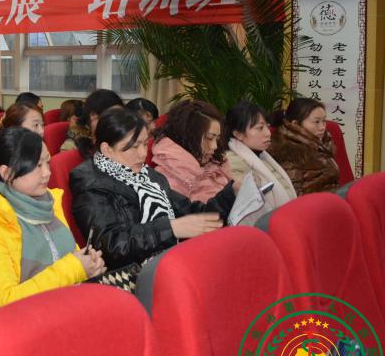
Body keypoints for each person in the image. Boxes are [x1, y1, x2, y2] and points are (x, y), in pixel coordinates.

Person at [70, 108, 235, 269]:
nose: (143, 153)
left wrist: (231, 193)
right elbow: (110, 246)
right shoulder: (92, 187)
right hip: (134, 273)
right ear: (107, 149)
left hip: (165, 262)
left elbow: (189, 211)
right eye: (134, 147)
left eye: (144, 143)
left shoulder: (146, 175)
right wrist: (170, 229)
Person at [0, 127, 104, 307]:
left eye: (47, 162)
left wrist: (88, 266)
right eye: (37, 166)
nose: (47, 173)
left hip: (66, 303)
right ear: (6, 173)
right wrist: (75, 268)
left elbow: (68, 259)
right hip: (26, 318)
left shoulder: (47, 201)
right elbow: (5, 300)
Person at [223, 102, 296, 217]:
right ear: (238, 134)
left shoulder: (261, 155)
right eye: (260, 128)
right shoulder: (234, 161)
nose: (268, 133)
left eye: (267, 126)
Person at [151, 100, 233, 202]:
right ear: (189, 136)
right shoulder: (167, 180)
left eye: (217, 139)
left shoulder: (216, 165)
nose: (214, 146)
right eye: (209, 138)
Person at [269, 98, 340, 195]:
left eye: (323, 121)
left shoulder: (323, 143)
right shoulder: (289, 152)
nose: (322, 127)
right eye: (316, 122)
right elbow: (295, 195)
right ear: (295, 124)